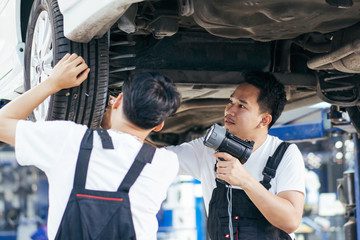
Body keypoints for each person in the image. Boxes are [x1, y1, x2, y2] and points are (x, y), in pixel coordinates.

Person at [0, 53, 181, 240]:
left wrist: (53, 83)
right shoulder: (166, 163)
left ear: (117, 100)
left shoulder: (69, 140)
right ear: (158, 125)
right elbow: (134, 145)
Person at [165, 72, 305, 240]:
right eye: (231, 102)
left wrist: (245, 181)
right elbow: (156, 160)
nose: (230, 110)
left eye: (241, 106)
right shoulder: (208, 149)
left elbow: (290, 221)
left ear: (264, 120)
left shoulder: (284, 154)